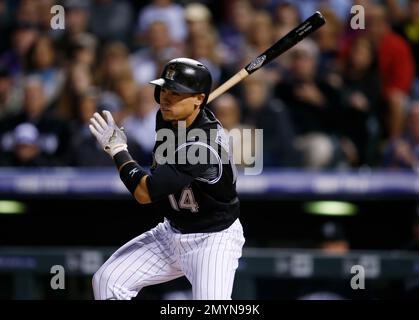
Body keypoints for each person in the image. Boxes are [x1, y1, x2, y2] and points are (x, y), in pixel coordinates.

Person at [90, 58, 245, 300]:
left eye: (177, 93)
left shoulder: (203, 146)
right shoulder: (169, 118)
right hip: (171, 232)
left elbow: (145, 192)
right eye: (165, 89)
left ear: (199, 99)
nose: (166, 98)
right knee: (108, 281)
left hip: (212, 240)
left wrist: (118, 149)